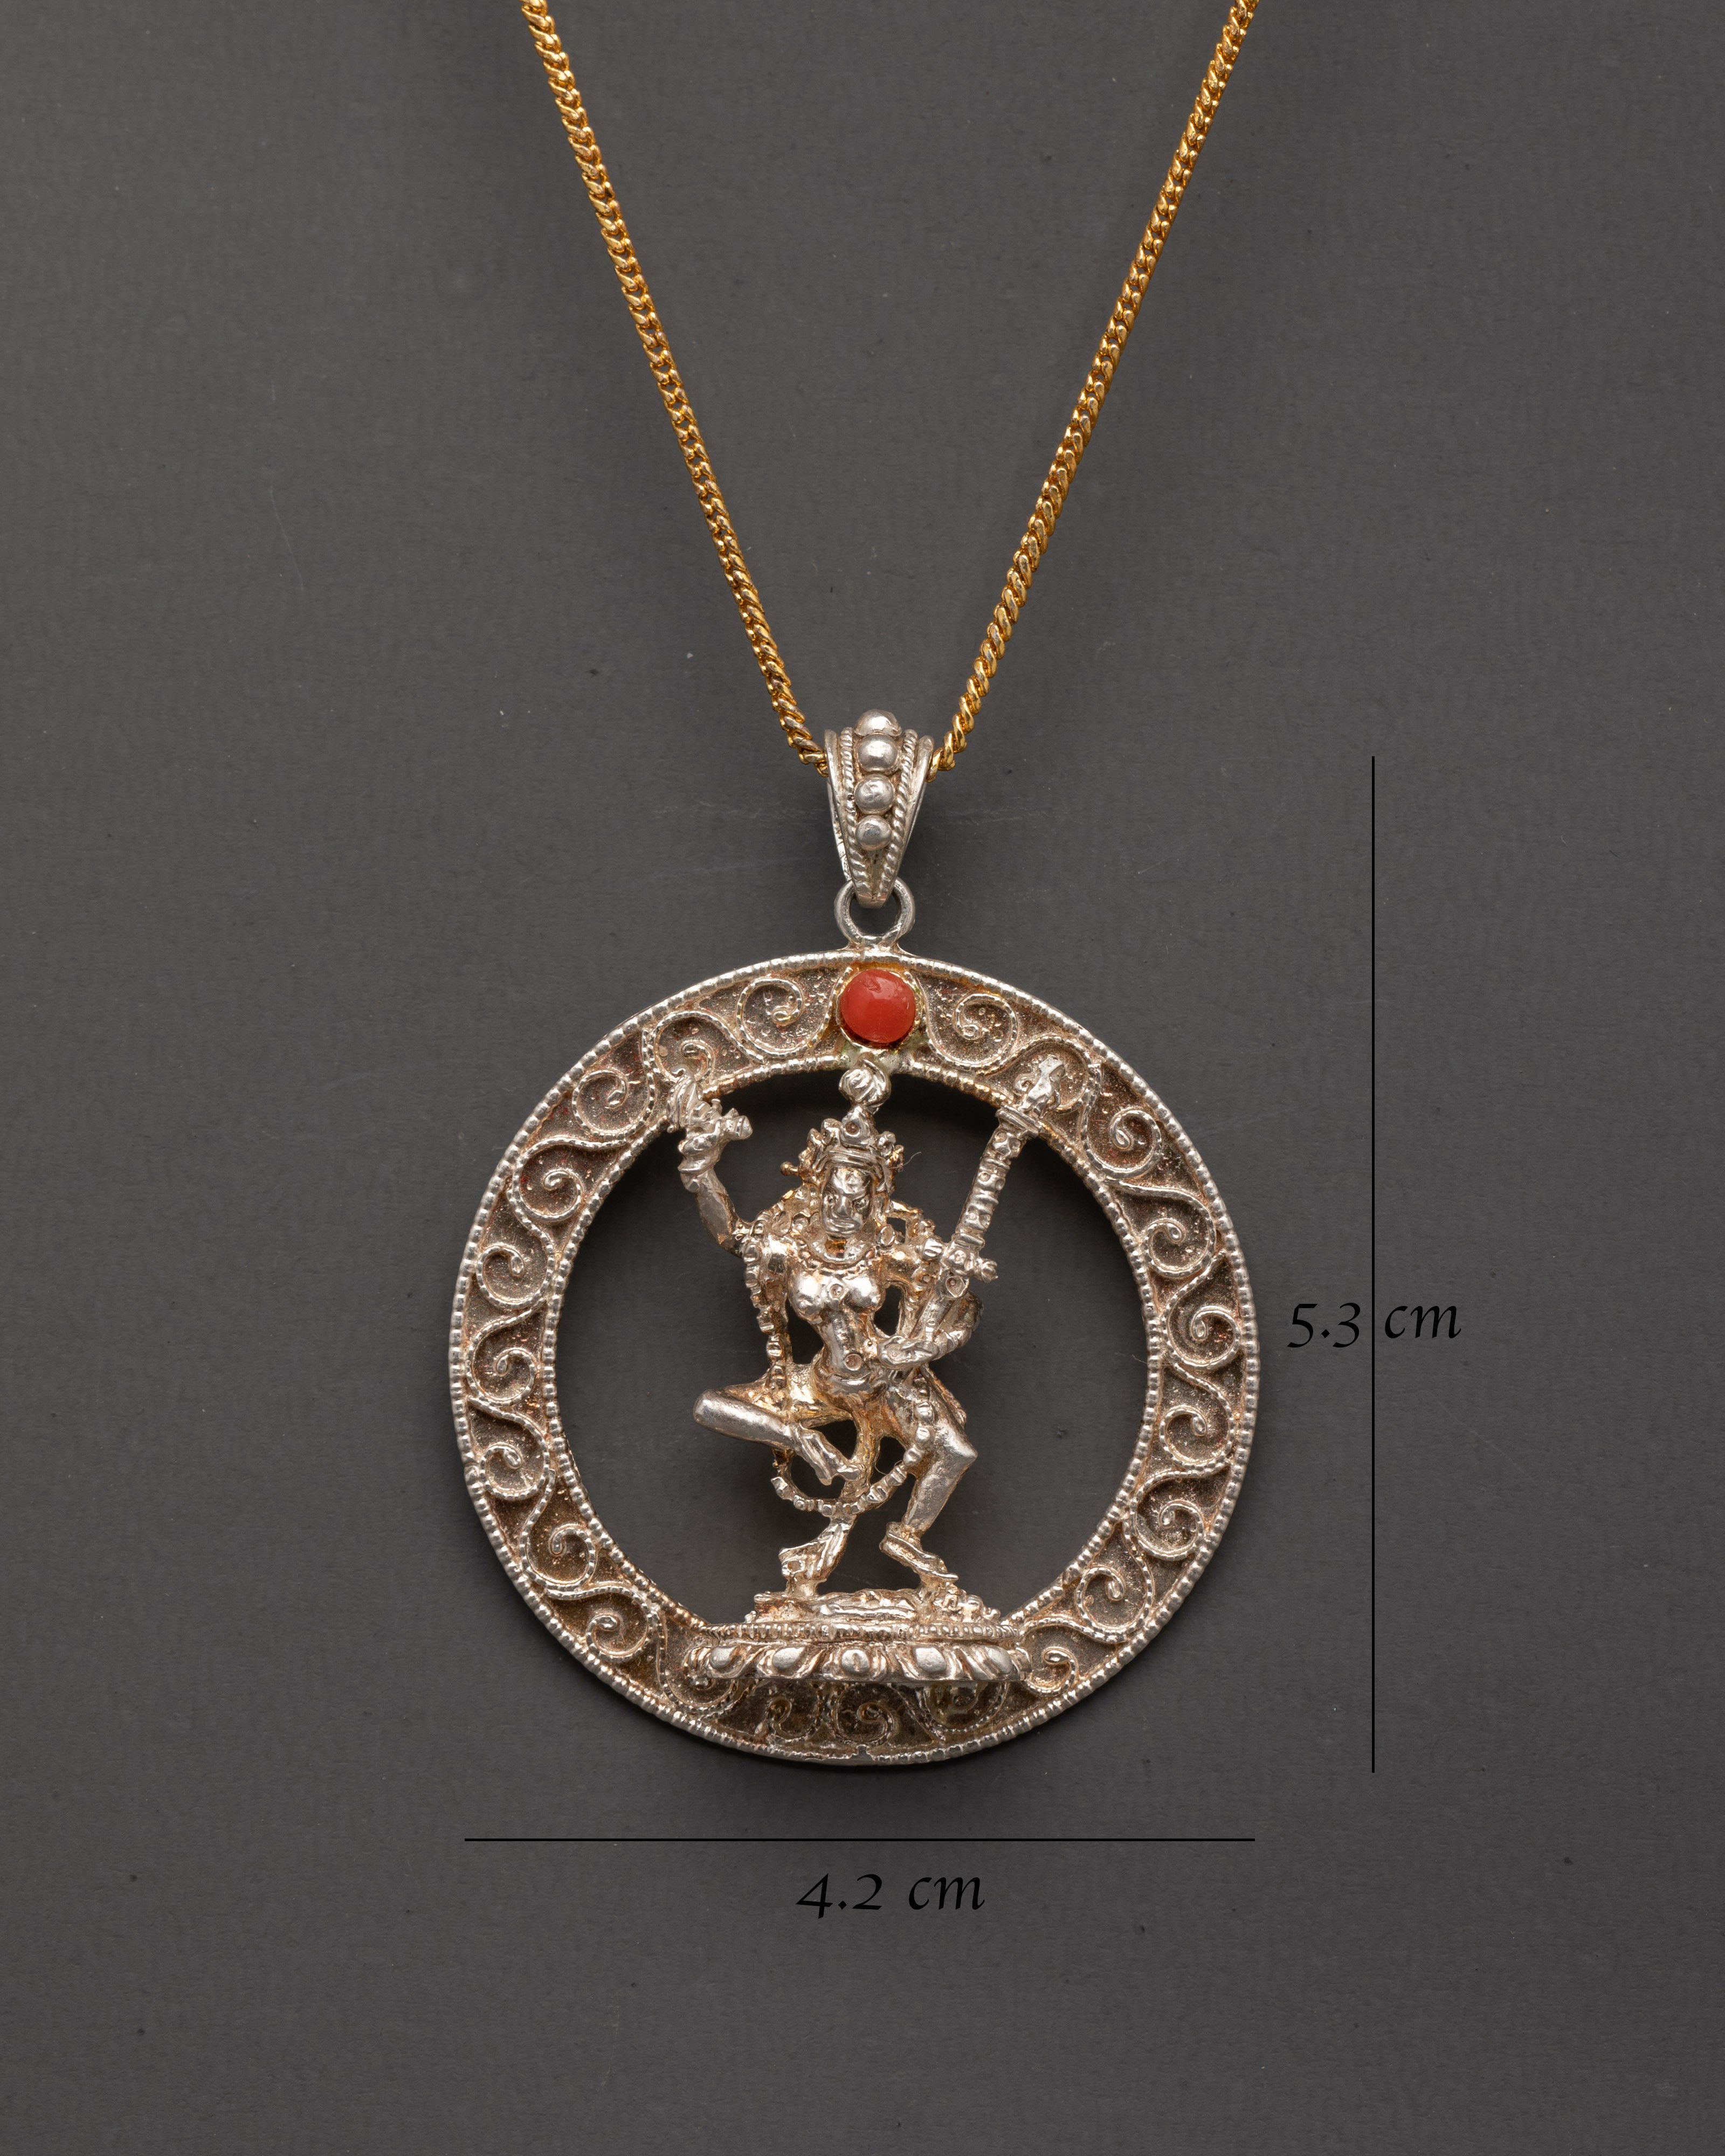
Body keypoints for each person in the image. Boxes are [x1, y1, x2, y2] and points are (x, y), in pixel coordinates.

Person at [675, 1079, 978, 1593]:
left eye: (854, 1201)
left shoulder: (888, 1251)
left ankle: (906, 1536)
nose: (841, 1208)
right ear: (819, 1189)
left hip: (885, 1380)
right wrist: (702, 1171)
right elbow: (732, 1234)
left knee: (955, 1453)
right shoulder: (788, 1249)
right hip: (821, 1382)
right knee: (712, 1406)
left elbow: (962, 1307)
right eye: (834, 1196)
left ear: (873, 1200)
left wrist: (927, 1347)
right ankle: (800, 1436)